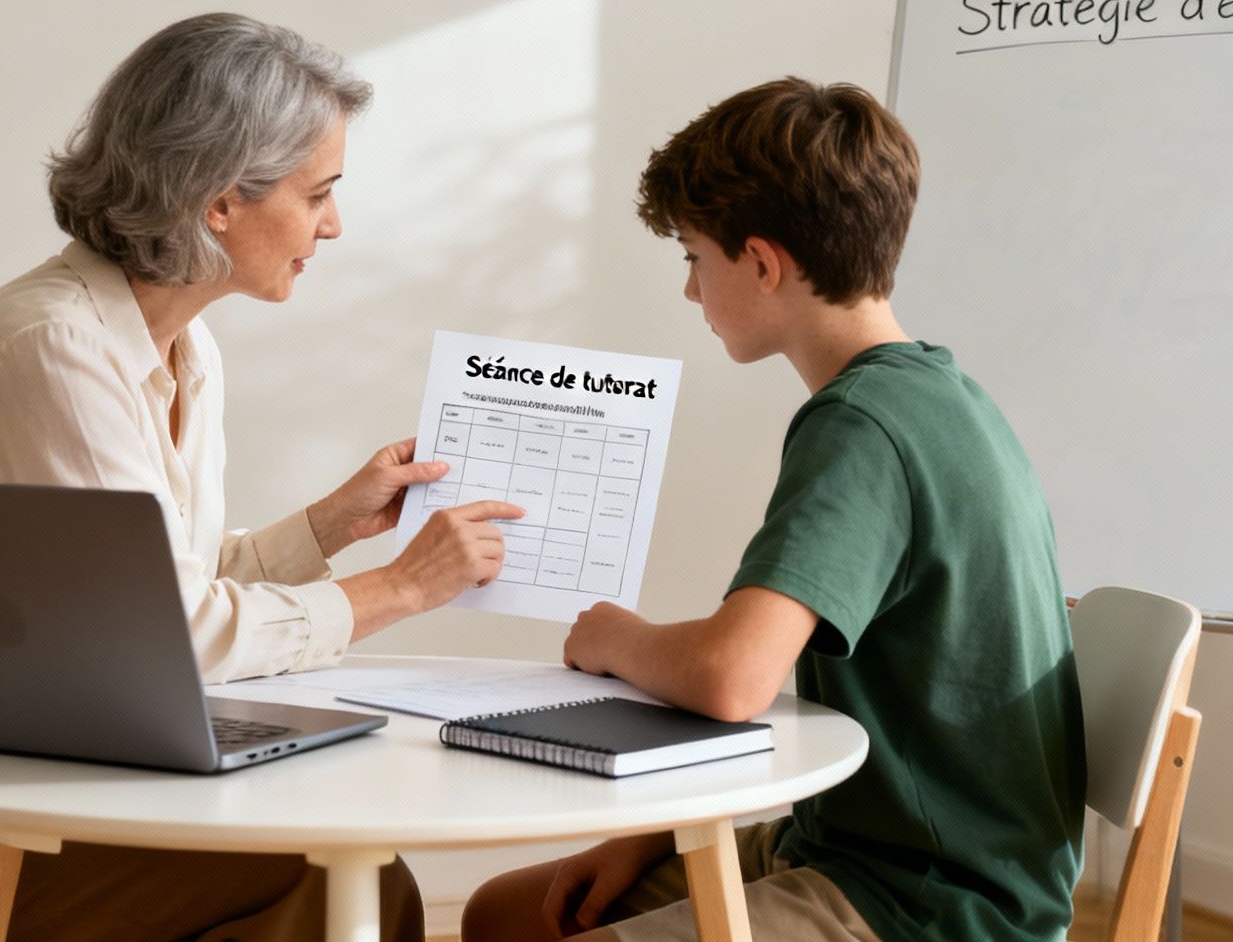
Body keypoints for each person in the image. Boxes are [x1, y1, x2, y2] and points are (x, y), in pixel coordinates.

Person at [0, 13, 524, 942]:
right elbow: (171, 634)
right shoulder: (55, 347)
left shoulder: (180, 347)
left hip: (32, 780)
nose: (332, 225)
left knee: (342, 876)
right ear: (219, 201)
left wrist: (327, 527)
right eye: (318, 193)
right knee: (327, 887)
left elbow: (147, 599)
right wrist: (401, 587)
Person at [461, 79, 1085, 942]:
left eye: (693, 257)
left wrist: (613, 638)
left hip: (932, 900)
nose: (690, 291)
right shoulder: (940, 394)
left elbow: (734, 676)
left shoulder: (861, 425)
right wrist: (650, 835)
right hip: (855, 842)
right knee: (504, 916)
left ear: (761, 263)